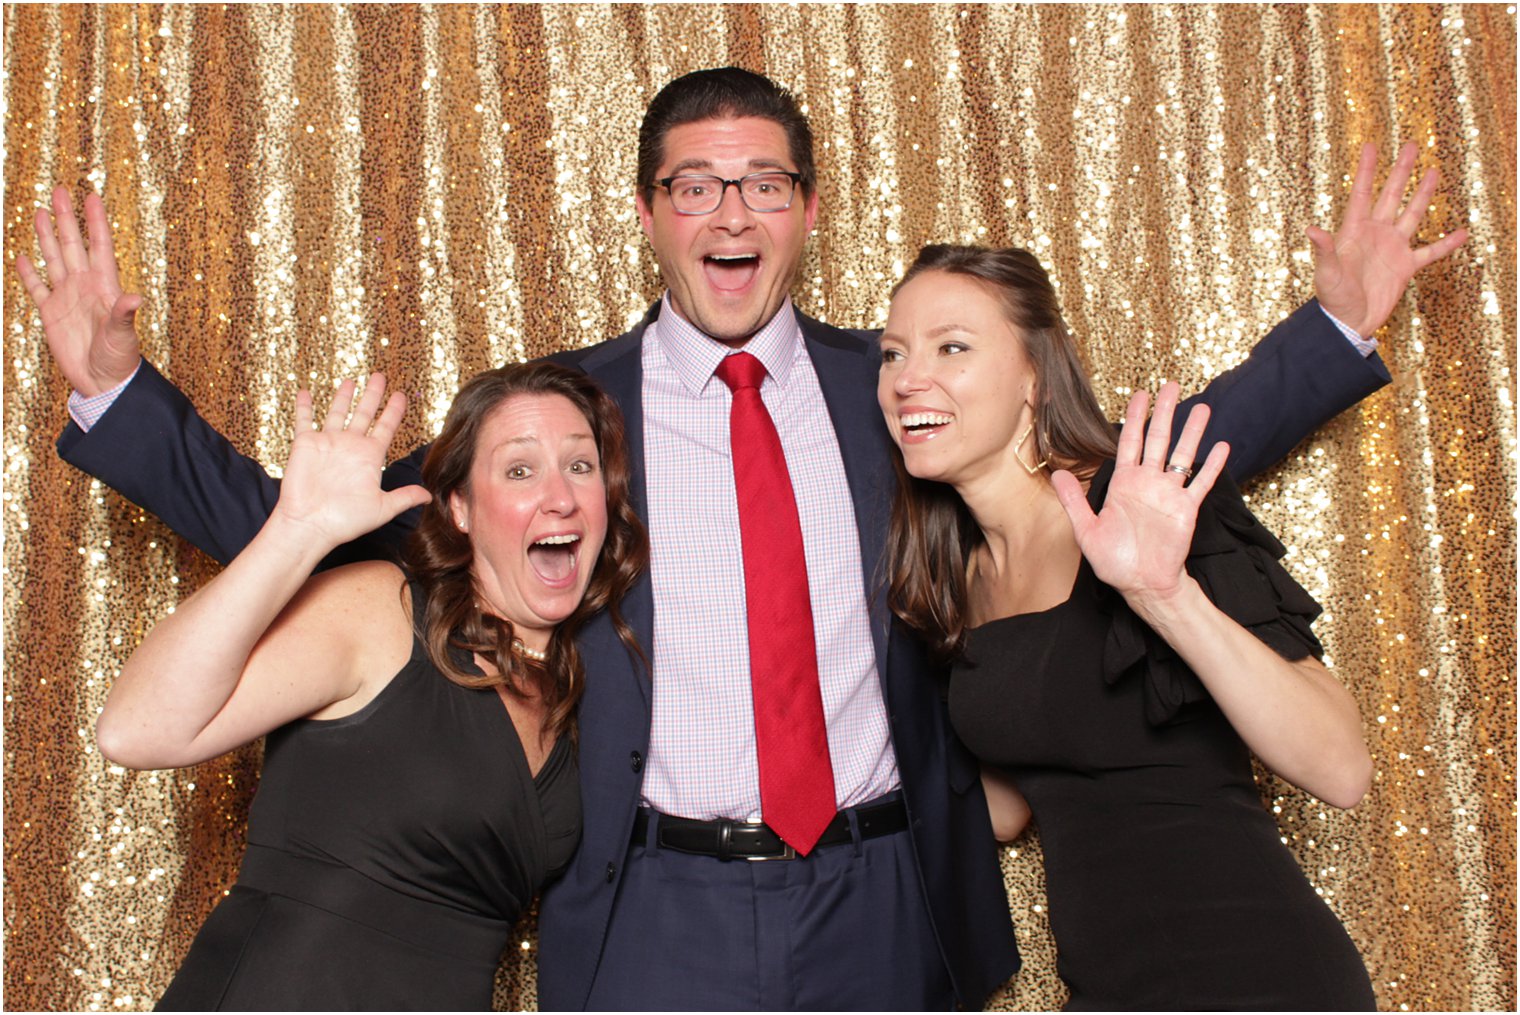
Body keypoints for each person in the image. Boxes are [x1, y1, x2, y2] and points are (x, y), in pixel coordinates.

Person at [20, 68, 1463, 1009]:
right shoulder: (561, 421)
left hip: (883, 895)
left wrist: (1334, 331)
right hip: (653, 907)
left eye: (763, 181)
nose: (731, 209)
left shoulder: (893, 391)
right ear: (652, 212)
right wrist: (116, 396)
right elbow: (343, 525)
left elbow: (1112, 466)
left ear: (806, 210)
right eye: (696, 184)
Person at [878, 244, 1378, 1008]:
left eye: (953, 347)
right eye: (893, 353)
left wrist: (1164, 594)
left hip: (1259, 977)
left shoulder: (1144, 503)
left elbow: (1340, 766)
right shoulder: (958, 578)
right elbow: (1009, 808)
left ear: (1034, 376)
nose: (910, 377)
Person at [91, 365, 646, 1010]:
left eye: (580, 467)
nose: (560, 497)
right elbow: (135, 729)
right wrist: (298, 528)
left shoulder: (573, 685)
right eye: (520, 471)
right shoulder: (382, 609)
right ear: (460, 509)